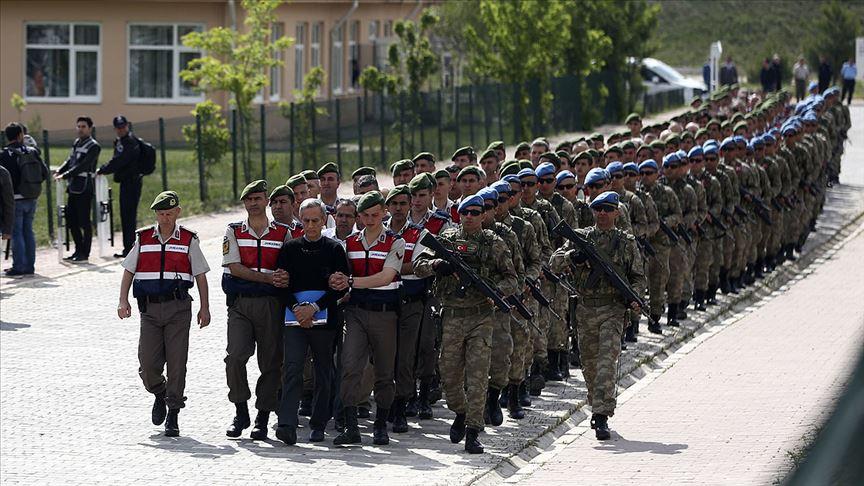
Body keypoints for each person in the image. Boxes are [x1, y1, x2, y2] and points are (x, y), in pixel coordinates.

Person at [414, 195, 518, 454]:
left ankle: (473, 430)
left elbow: (512, 280)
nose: (470, 216)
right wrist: (437, 265)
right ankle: (459, 412)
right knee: (449, 375)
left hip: (480, 316)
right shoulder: (447, 239)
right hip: (451, 316)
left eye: (475, 212)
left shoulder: (493, 243)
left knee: (478, 374)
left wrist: (493, 291)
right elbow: (418, 266)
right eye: (465, 212)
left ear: (484, 215)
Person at [549, 191, 645, 440]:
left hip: (613, 309)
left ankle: (601, 414)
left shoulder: (626, 242)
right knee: (590, 365)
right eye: (598, 208)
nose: (602, 213)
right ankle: (597, 404)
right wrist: (573, 256)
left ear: (616, 212)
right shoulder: (581, 238)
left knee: (605, 364)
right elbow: (553, 262)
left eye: (607, 209)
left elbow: (637, 277)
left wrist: (635, 298)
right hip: (585, 309)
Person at [117, 191, 211, 437]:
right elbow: (128, 270)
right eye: (160, 214)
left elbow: (200, 274)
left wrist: (205, 306)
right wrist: (122, 300)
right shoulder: (144, 238)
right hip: (149, 309)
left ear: (178, 212)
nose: (165, 219)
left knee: (177, 363)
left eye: (169, 213)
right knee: (148, 364)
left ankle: (173, 413)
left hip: (178, 308)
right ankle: (159, 392)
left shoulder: (189, 240)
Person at [328, 191, 405, 447]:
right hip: (356, 313)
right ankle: (351, 426)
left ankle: (381, 424)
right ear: (358, 216)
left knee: (384, 373)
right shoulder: (348, 243)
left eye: (375, 214)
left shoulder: (395, 242)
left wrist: (351, 282)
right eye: (365, 215)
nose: (371, 219)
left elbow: (386, 277)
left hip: (386, 314)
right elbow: (339, 277)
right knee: (349, 367)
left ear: (384, 212)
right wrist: (339, 282)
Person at [274, 198, 349, 445]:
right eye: (305, 220)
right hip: (295, 318)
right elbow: (281, 284)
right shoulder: (290, 248)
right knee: (293, 367)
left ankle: (318, 424)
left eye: (315, 220)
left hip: (325, 319)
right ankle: (286, 423)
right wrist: (297, 309)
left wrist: (315, 308)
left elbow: (340, 286)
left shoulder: (335, 249)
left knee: (323, 371)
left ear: (323, 219)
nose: (310, 225)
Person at [222, 180, 292, 440]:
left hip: (272, 306)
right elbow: (235, 267)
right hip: (241, 303)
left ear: (267, 201)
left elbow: (287, 270)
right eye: (248, 199)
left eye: (258, 198)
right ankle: (240, 410)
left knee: (271, 362)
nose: (253, 203)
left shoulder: (283, 233)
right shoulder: (233, 231)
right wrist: (267, 278)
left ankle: (263, 416)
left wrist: (280, 280)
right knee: (235, 357)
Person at [0, 122, 48, 277]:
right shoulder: (32, 151)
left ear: (7, 137)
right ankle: (30, 266)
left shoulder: (4, 155)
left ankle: (18, 266)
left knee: (17, 232)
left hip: (14, 199)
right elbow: (44, 172)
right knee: (28, 231)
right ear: (21, 135)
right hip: (31, 197)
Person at [55, 116, 101, 262]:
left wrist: (65, 175)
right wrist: (60, 170)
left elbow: (83, 165)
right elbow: (70, 160)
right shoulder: (77, 143)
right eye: (78, 126)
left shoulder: (94, 146)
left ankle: (84, 253)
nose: (80, 129)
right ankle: (77, 250)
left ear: (90, 128)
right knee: (72, 220)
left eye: (83, 126)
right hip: (73, 186)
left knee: (84, 221)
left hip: (84, 187)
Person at [97, 115, 142, 258]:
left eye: (123, 127)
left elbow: (119, 161)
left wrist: (103, 169)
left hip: (132, 182)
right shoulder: (120, 141)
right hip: (126, 182)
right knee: (126, 215)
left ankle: (130, 249)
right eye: (118, 127)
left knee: (129, 215)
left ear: (127, 126)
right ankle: (128, 247)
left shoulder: (129, 142)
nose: (121, 129)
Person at [0, 164, 13, 248]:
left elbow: (8, 202)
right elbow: (9, 202)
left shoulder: (2, 173)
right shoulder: (2, 172)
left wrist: (7, 229)